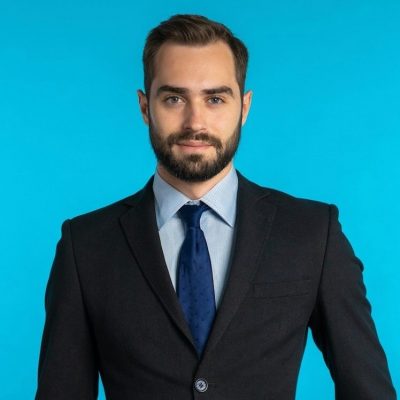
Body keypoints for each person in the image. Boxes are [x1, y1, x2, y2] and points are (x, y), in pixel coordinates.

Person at [35, 14, 397, 399]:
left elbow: (368, 390)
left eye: (215, 98)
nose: (196, 122)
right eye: (174, 98)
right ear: (145, 107)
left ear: (244, 107)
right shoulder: (85, 245)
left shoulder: (312, 233)